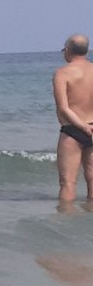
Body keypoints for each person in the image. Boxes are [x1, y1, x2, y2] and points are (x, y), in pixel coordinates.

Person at [54, 35, 93, 213]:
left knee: (68, 182)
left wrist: (83, 127)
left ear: (68, 50)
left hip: (73, 129)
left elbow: (63, 108)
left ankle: (66, 221)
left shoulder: (63, 73)